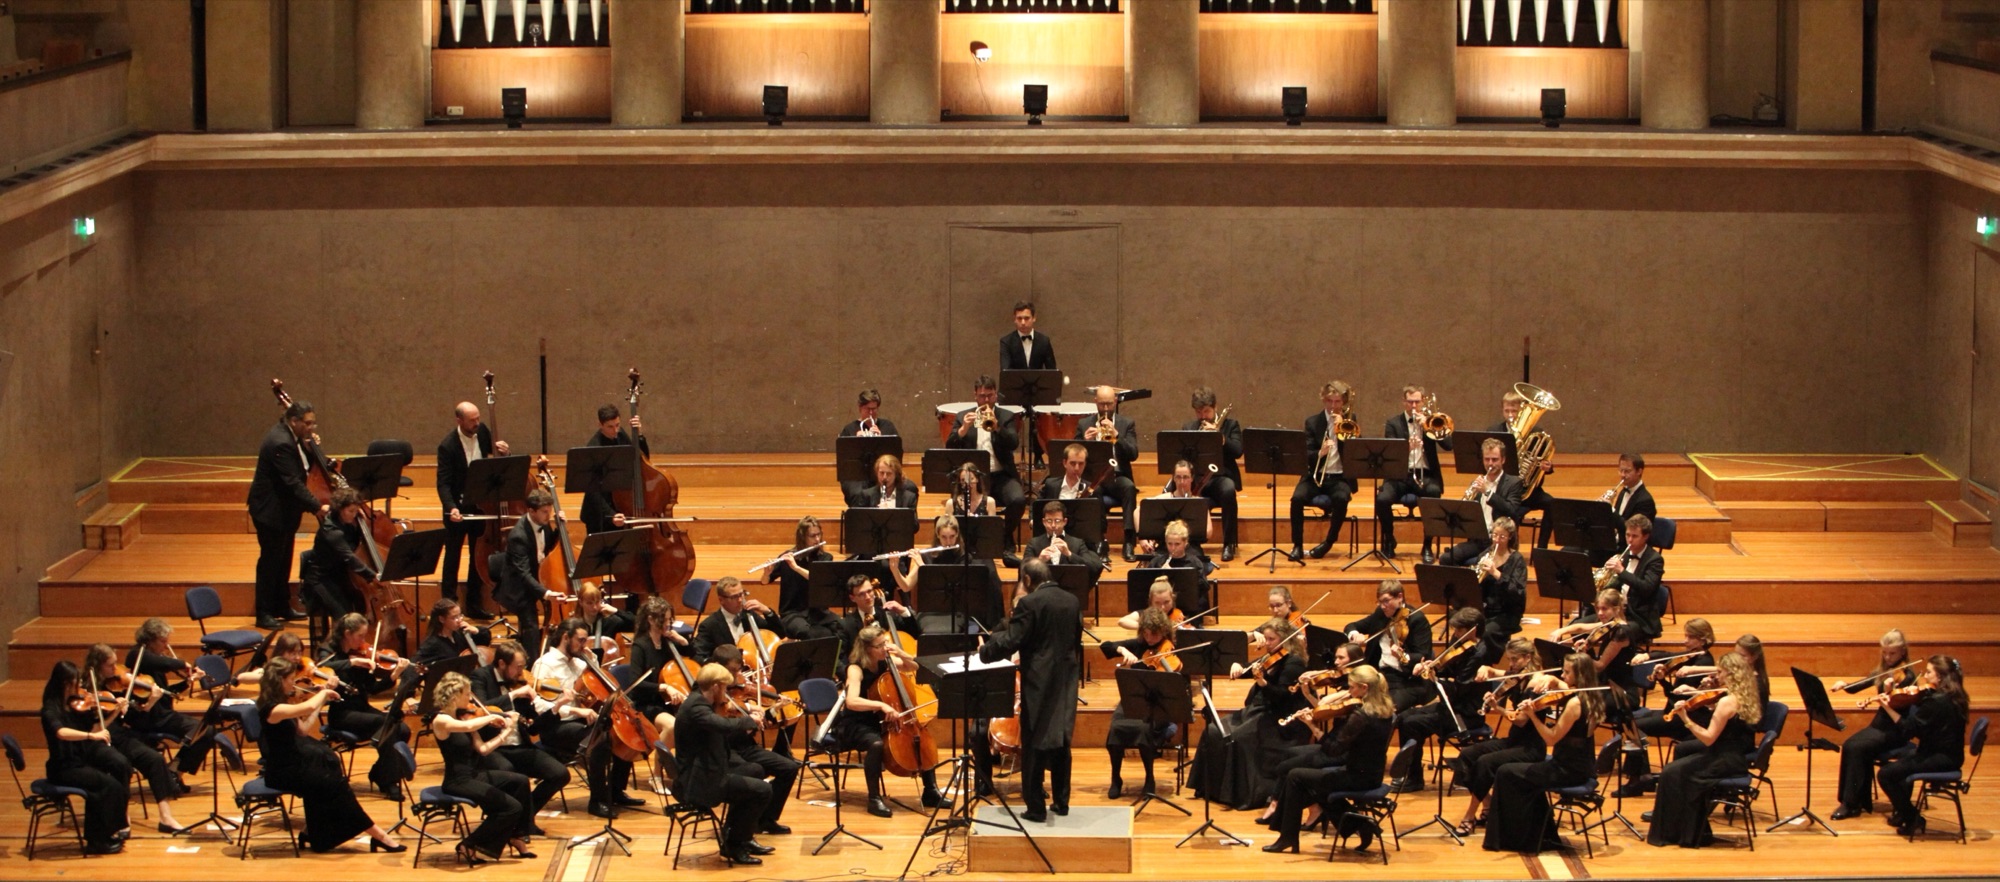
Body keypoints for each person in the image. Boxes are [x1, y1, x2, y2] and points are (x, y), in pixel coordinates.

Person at [255, 658, 404, 854]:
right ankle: (378, 835)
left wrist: (321, 702)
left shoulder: (281, 703)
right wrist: (323, 692)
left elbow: (303, 729)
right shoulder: (271, 708)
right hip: (284, 770)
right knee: (333, 784)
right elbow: (306, 709)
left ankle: (316, 834)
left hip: (295, 762)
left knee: (329, 773)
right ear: (279, 680)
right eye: (291, 679)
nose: (293, 683)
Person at [977, 558, 1081, 822]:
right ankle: (1061, 802)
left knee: (1033, 742)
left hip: (1038, 682)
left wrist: (986, 651)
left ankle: (1035, 808)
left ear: (1026, 579)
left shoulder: (1029, 603)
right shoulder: (1072, 600)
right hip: (1066, 679)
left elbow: (1013, 640)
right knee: (1060, 740)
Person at [1259, 664, 1396, 854]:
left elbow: (1333, 750)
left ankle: (1287, 837)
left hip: (1357, 776)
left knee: (1295, 776)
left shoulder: (1361, 716)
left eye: (1352, 687)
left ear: (1364, 688)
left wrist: (1312, 726)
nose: (1349, 691)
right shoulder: (1385, 708)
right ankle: (1361, 826)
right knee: (1313, 784)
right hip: (1372, 773)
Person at [1484, 652, 1605, 853]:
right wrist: (1551, 679)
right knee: (1517, 775)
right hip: (1581, 765)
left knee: (1506, 772)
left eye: (1567, 672)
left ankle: (1521, 838)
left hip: (1567, 770)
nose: (1563, 675)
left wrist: (1533, 716)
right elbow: (1562, 686)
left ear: (1580, 675)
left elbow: (1550, 738)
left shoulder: (1575, 704)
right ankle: (1539, 833)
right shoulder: (1591, 695)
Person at [1645, 651, 1762, 848]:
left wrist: (1685, 718)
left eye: (1720, 671)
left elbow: (1708, 738)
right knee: (1674, 770)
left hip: (1722, 759)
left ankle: (1679, 833)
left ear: (1731, 674)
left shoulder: (1726, 702)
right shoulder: (1744, 695)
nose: (1716, 675)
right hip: (1732, 755)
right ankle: (1683, 830)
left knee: (1671, 773)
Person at [1190, 617, 1308, 811]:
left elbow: (1283, 697)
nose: (1267, 643)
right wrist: (1238, 665)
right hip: (1256, 710)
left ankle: (1235, 795)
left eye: (1272, 639)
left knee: (1237, 738)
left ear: (1285, 640)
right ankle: (1210, 789)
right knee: (1213, 731)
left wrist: (1262, 682)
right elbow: (1248, 668)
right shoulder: (1270, 657)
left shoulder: (1294, 662)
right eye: (1266, 638)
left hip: (1276, 716)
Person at [531, 618, 642, 818]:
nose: (584, 646)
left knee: (620, 733)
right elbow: (539, 706)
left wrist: (594, 664)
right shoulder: (544, 664)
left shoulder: (580, 663)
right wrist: (575, 711)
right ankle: (597, 801)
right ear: (566, 638)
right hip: (555, 726)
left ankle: (615, 791)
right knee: (601, 739)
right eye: (581, 641)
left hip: (581, 723)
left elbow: (595, 689)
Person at [831, 625, 946, 816]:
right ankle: (874, 799)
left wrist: (901, 653)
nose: (884, 648)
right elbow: (851, 701)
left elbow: (916, 667)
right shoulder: (856, 669)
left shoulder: (887, 662)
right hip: (857, 722)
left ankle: (931, 791)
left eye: (885, 642)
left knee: (920, 737)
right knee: (876, 744)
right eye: (879, 645)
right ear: (867, 649)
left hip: (882, 721)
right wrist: (881, 705)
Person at [1449, 638, 1557, 835]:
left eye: (1515, 660)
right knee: (1467, 756)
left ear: (1528, 657)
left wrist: (1496, 708)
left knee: (1485, 762)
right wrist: (1484, 668)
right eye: (1509, 659)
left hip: (1530, 747)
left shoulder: (1536, 683)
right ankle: (1488, 805)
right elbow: (1493, 672)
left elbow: (1521, 720)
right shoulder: (1517, 676)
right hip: (1514, 741)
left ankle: (1469, 816)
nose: (1511, 664)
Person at [675, 663, 778, 865]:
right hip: (700, 781)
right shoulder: (696, 707)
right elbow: (721, 725)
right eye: (725, 688)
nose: (727, 693)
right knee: (763, 790)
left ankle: (740, 835)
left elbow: (719, 731)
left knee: (755, 770)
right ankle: (734, 844)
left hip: (707, 768)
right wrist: (749, 720)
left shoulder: (700, 702)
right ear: (715, 687)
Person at [82, 643, 191, 834]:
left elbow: (138, 711)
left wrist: (150, 701)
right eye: (110, 665)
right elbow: (97, 728)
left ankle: (166, 818)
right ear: (98, 666)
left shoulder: (116, 684)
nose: (116, 669)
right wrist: (115, 712)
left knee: (155, 759)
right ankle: (122, 817)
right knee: (120, 765)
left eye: (116, 664)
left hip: (121, 736)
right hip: (99, 740)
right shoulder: (86, 692)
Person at [429, 671, 535, 863]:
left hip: (474, 775)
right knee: (512, 808)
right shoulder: (441, 720)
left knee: (520, 781)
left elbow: (483, 750)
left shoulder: (464, 718)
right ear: (455, 695)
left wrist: (506, 731)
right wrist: (490, 717)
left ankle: (516, 836)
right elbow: (468, 728)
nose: (470, 698)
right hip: (457, 780)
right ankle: (468, 845)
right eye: (467, 694)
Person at [247, 398, 331, 629]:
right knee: (270, 562)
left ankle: (281, 606)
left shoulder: (293, 437)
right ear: (293, 421)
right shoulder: (280, 443)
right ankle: (263, 612)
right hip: (270, 512)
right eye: (308, 423)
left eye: (313, 423)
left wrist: (309, 447)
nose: (312, 427)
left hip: (285, 511)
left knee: (283, 560)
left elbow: (306, 467)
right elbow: (293, 482)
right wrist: (317, 506)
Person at [470, 640, 570, 830]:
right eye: (518, 667)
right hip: (492, 747)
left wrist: (556, 707)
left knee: (560, 774)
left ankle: (524, 816)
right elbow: (482, 709)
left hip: (520, 746)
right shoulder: (480, 677)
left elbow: (533, 728)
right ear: (501, 664)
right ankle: (520, 823)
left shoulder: (520, 683)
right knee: (513, 776)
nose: (521, 673)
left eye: (523, 667)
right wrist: (512, 696)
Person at [1394, 607, 1493, 793]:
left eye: (1459, 630)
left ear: (1473, 629)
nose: (1455, 634)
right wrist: (1431, 667)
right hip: (1452, 707)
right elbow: (1448, 670)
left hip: (1465, 714)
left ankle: (1414, 778)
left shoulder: (1480, 654)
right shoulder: (1463, 646)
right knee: (1404, 716)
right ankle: (1409, 772)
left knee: (1412, 723)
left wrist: (1436, 680)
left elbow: (1460, 689)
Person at [40, 660, 133, 853]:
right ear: (65, 684)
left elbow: (96, 728)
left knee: (108, 782)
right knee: (108, 785)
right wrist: (91, 736)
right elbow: (61, 733)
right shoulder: (50, 709)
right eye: (76, 682)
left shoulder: (74, 705)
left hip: (79, 760)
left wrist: (115, 711)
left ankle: (101, 836)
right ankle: (99, 840)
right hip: (63, 767)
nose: (80, 687)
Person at [319, 612, 414, 795]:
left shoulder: (361, 653)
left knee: (403, 729)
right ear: (347, 634)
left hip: (362, 710)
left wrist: (394, 675)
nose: (364, 640)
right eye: (360, 636)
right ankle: (389, 782)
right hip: (342, 714)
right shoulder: (328, 652)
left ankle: (379, 772)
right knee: (385, 725)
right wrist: (351, 662)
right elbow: (320, 668)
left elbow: (373, 689)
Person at [1874, 655, 1970, 836]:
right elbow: (1930, 721)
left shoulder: (1937, 701)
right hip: (1951, 754)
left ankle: (1913, 818)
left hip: (1941, 758)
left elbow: (1909, 730)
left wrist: (1887, 707)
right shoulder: (1956, 695)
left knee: (1886, 774)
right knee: (1903, 760)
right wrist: (1916, 699)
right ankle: (1901, 813)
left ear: (1940, 677)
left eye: (1928, 672)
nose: (1925, 676)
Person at [1833, 628, 1919, 818]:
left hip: (1895, 730)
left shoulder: (1908, 677)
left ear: (1903, 651)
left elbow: (1897, 706)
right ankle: (1854, 800)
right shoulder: (1884, 670)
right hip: (1879, 726)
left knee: (1856, 748)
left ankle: (1851, 804)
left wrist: (1890, 691)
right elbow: (1865, 683)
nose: (1888, 657)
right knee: (1849, 745)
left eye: (1892, 653)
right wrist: (1844, 685)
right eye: (1885, 652)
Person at [1100, 608, 1184, 799]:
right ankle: (1116, 778)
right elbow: (1106, 646)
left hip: (1160, 705)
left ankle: (1150, 778)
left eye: (1153, 634)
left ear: (1163, 631)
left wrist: (1163, 664)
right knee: (1116, 728)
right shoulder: (1139, 645)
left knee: (1144, 730)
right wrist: (1122, 650)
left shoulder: (1172, 648)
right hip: (1135, 699)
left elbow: (1175, 683)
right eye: (1145, 634)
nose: (1149, 638)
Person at [436, 400, 509, 619]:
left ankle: (474, 604)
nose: (477, 423)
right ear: (459, 421)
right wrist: (451, 508)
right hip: (458, 508)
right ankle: (448, 605)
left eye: (478, 418)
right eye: (472, 420)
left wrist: (504, 452)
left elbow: (495, 461)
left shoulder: (484, 431)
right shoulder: (447, 445)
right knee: (453, 556)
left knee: (478, 555)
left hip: (480, 504)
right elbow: (443, 482)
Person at [946, 375, 1029, 552]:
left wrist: (998, 427)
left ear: (995, 395)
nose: (986, 400)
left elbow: (1013, 442)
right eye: (982, 396)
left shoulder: (1005, 416)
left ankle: (1005, 536)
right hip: (973, 479)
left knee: (1018, 500)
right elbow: (950, 445)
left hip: (1001, 476)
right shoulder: (962, 417)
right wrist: (963, 429)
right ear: (975, 396)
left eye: (989, 396)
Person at [1374, 384, 1452, 563]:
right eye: (1410, 402)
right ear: (1404, 402)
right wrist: (1407, 447)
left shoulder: (1431, 421)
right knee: (1382, 499)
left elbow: (1448, 445)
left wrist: (1429, 427)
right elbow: (1390, 453)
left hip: (1426, 474)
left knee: (1433, 494)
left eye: (1417, 402)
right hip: (1400, 475)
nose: (1414, 406)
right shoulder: (1393, 423)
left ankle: (1427, 545)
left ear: (1423, 401)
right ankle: (1389, 539)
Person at [1290, 381, 1360, 562]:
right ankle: (1297, 545)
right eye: (1329, 401)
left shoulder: (1350, 421)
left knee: (1342, 498)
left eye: (1337, 402)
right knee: (1297, 499)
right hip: (1315, 476)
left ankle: (1329, 542)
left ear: (1343, 402)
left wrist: (1342, 430)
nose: (1333, 406)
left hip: (1339, 478)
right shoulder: (1313, 422)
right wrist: (1320, 453)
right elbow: (1306, 453)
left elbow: (1356, 451)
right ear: (1323, 400)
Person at [1343, 580, 1435, 711]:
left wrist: (1403, 656)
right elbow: (1352, 626)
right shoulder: (1381, 614)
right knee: (1350, 702)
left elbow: (1423, 656)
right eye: (1379, 602)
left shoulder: (1416, 619)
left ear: (1400, 597)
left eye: (1386, 601)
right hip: (1378, 674)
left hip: (1405, 680)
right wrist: (1354, 635)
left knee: (1382, 709)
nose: (1382, 606)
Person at [493, 487, 562, 656]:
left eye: (550, 511)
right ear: (531, 511)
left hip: (537, 577)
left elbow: (548, 545)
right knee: (531, 626)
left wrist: (560, 528)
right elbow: (523, 574)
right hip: (519, 588)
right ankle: (532, 664)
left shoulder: (543, 524)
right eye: (545, 512)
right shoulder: (518, 536)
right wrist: (546, 593)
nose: (549, 515)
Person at [1438, 439, 1528, 567]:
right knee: (1446, 558)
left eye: (1495, 459)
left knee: (1479, 564)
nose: (1490, 464)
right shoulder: (1477, 483)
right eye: (1487, 459)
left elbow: (1512, 510)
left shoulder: (1514, 483)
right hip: (1478, 540)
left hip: (1499, 542)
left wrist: (1488, 492)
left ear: (1503, 460)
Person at [1078, 385, 1141, 561]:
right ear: (1095, 402)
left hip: (1117, 476)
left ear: (1115, 401)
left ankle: (1129, 541)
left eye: (1109, 404)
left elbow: (1133, 454)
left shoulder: (1126, 423)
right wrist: (1084, 441)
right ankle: (1100, 541)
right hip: (1095, 476)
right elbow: (1072, 451)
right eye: (1102, 404)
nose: (1106, 409)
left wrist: (1117, 436)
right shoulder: (1084, 424)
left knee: (1129, 488)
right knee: (1093, 491)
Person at [1179, 387, 1242, 561]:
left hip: (1221, 477)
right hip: (1197, 478)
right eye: (1199, 412)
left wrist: (1220, 437)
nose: (1203, 416)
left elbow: (1238, 451)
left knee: (1228, 490)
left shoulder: (1230, 425)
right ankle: (1190, 544)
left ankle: (1229, 544)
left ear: (1215, 408)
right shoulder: (1189, 427)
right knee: (1180, 491)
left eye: (1206, 411)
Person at [299, 485, 379, 619]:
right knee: (344, 617)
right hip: (321, 579)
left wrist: (361, 522)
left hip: (338, 575)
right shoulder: (331, 531)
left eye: (356, 511)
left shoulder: (349, 523)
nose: (354, 515)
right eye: (351, 511)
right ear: (340, 509)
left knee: (355, 609)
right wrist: (372, 576)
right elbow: (349, 557)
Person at [765, 515, 840, 640]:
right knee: (807, 632)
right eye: (812, 536)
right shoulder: (787, 557)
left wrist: (796, 568)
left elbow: (818, 579)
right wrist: (766, 573)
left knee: (842, 627)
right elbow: (765, 581)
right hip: (792, 613)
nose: (817, 539)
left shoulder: (825, 558)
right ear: (802, 537)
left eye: (819, 534)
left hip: (818, 612)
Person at [579, 403, 648, 536]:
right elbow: (592, 491)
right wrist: (611, 515)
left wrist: (639, 435)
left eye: (617, 425)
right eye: (610, 427)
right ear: (600, 425)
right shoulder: (593, 448)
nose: (615, 430)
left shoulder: (620, 435)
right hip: (599, 514)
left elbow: (642, 462)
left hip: (620, 506)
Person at [1468, 516, 1528, 660]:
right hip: (1486, 609)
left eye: (1502, 537)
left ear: (1510, 537)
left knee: (1487, 632)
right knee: (1463, 623)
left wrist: (1496, 573)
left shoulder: (1517, 560)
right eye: (1494, 535)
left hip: (1508, 612)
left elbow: (1518, 592)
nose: (1496, 540)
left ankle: (1489, 662)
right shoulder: (1485, 555)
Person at [1038, 443, 1112, 556]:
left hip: (1081, 543)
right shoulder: (1050, 485)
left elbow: (1101, 522)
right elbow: (1037, 507)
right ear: (1064, 463)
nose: (1077, 468)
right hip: (1052, 539)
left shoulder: (1093, 490)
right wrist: (1032, 520)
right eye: (1073, 463)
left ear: (1085, 464)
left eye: (1081, 464)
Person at [691, 576, 778, 662]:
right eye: (734, 597)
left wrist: (767, 611)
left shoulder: (748, 614)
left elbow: (778, 633)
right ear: (721, 600)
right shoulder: (709, 625)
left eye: (741, 594)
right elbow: (698, 656)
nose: (740, 600)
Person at [837, 389, 900, 505]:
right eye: (867, 409)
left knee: (907, 488)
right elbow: (844, 461)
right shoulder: (849, 429)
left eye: (874, 409)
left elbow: (897, 456)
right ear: (860, 408)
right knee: (857, 493)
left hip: (882, 473)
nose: (871, 413)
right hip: (856, 476)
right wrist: (855, 442)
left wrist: (882, 439)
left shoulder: (887, 427)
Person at [839, 575, 920, 655]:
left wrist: (903, 611)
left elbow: (914, 634)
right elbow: (842, 657)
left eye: (869, 591)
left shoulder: (888, 615)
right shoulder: (847, 625)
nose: (867, 597)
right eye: (861, 594)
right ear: (852, 598)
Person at [1025, 500, 1104, 570]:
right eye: (1049, 520)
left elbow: (1093, 567)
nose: (1053, 525)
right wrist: (1039, 560)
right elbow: (1023, 569)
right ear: (1043, 522)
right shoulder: (1034, 543)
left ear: (1065, 521)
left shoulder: (1078, 543)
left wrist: (1069, 554)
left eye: (1057, 520)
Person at [416, 598, 492, 668]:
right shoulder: (432, 644)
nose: (460, 620)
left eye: (460, 615)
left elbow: (485, 640)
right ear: (441, 619)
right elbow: (416, 665)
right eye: (454, 617)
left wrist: (476, 630)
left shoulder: (460, 634)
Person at [573, 583, 633, 662]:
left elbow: (638, 623)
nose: (594, 607)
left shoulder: (610, 621)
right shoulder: (574, 625)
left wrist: (616, 611)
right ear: (581, 602)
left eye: (597, 602)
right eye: (589, 603)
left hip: (606, 666)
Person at [1001, 300, 1057, 371]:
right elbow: (1006, 372)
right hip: (1015, 382)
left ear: (1034, 318)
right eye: (1019, 318)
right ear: (1014, 319)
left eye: (1026, 318)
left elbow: (1052, 371)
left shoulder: (1044, 341)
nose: (1023, 322)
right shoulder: (1006, 342)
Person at [855, 453, 919, 509]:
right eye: (881, 473)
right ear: (877, 473)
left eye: (889, 473)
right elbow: (861, 521)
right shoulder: (867, 496)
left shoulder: (909, 498)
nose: (884, 477)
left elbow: (912, 522)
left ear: (896, 474)